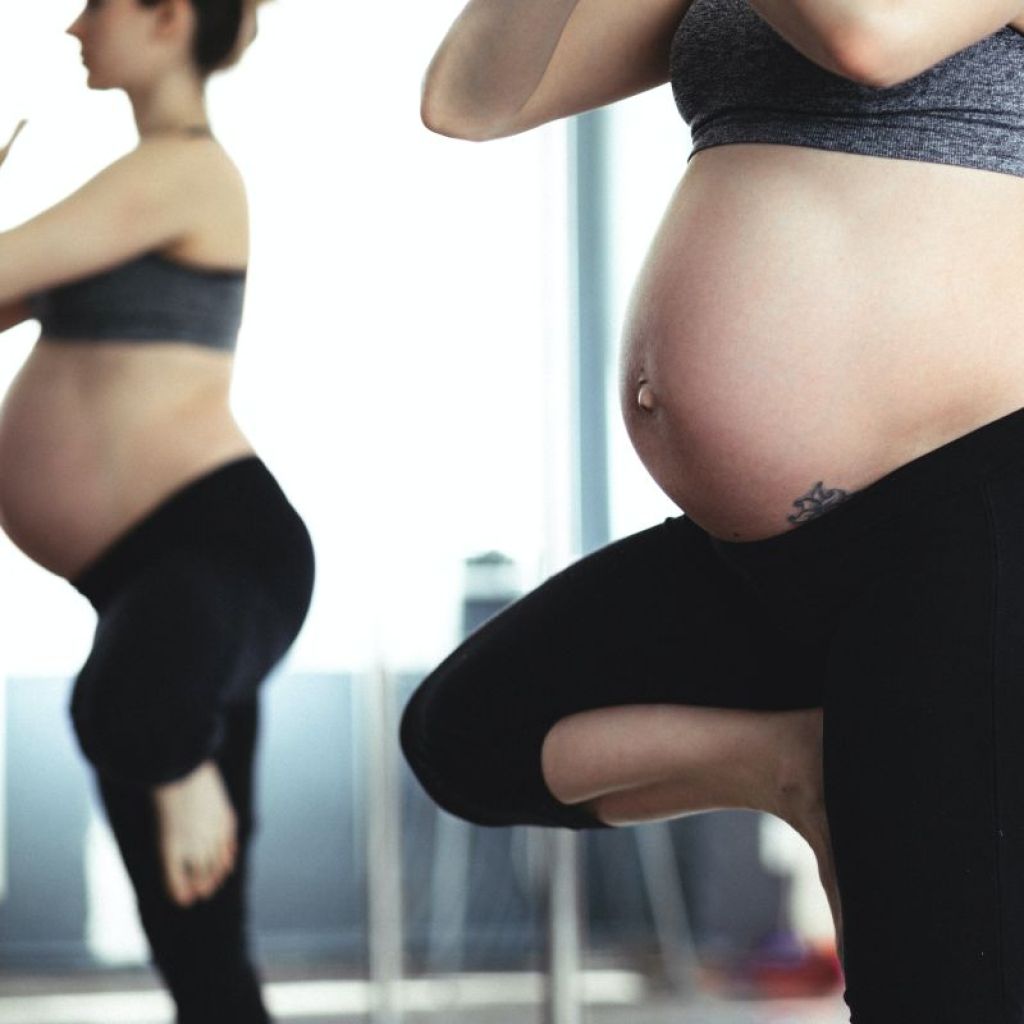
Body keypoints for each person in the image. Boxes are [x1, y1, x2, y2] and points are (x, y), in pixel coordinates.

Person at [400, 1, 1024, 1020]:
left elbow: (866, 38)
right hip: (772, 557)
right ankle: (793, 765)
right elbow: (469, 99)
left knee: (944, 989)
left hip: (958, 516)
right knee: (473, 729)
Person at [0, 2, 314, 1020]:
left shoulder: (181, 169)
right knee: (199, 942)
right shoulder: (137, 183)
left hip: (216, 548)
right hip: (156, 572)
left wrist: (173, 756)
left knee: (126, 711)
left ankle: (176, 753)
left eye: (95, 3)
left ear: (168, 16)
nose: (73, 27)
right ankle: (171, 751)